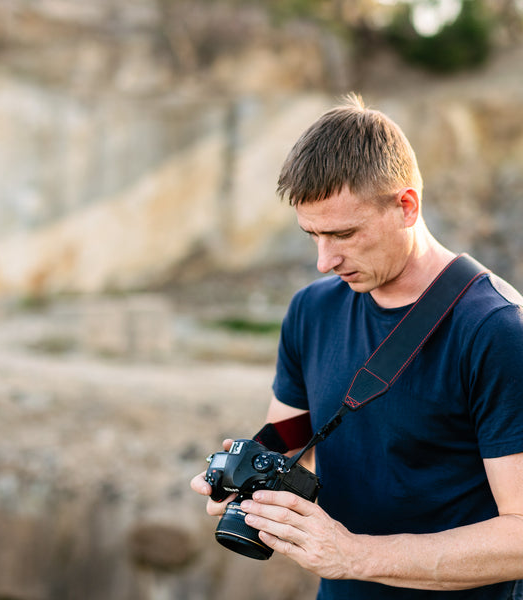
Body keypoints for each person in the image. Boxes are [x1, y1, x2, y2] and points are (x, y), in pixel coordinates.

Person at [190, 93, 523, 599]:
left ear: (406, 206)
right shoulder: (312, 309)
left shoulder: (498, 329)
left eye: (344, 233)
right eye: (312, 235)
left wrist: (354, 555)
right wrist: (250, 473)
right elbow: (298, 431)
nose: (325, 260)